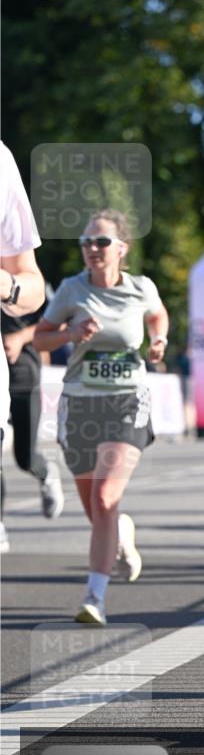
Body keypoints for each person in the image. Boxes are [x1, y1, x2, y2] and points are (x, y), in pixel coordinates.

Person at [33, 209, 169, 625]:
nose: (92, 248)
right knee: (97, 509)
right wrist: (71, 334)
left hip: (126, 401)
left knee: (106, 497)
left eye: (102, 241)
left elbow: (157, 314)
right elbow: (41, 338)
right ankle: (121, 536)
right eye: (86, 242)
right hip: (79, 403)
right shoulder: (71, 290)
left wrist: (159, 339)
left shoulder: (141, 287)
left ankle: (95, 597)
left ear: (121, 248)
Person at [1, 141, 46, 553]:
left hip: (23, 367)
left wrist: (8, 285)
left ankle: (44, 473)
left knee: (24, 456)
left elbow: (33, 287)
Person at [1, 298, 65, 539]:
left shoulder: (31, 281)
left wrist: (21, 337)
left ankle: (45, 471)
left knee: (24, 457)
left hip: (23, 378)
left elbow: (57, 322)